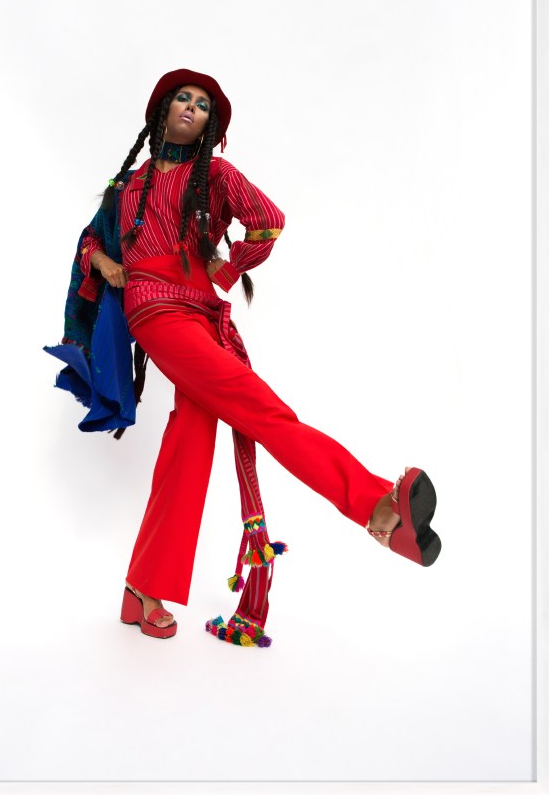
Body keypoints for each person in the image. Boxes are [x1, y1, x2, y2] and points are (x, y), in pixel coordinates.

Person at [47, 68, 441, 648]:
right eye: (183, 98)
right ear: (162, 111)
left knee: (190, 442)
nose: (192, 107)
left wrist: (227, 268)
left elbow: (268, 221)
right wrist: (107, 266)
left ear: (211, 125)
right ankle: (376, 508)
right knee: (262, 410)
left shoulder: (215, 175)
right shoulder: (125, 188)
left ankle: (143, 588)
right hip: (156, 310)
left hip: (203, 313)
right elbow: (89, 241)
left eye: (203, 104)